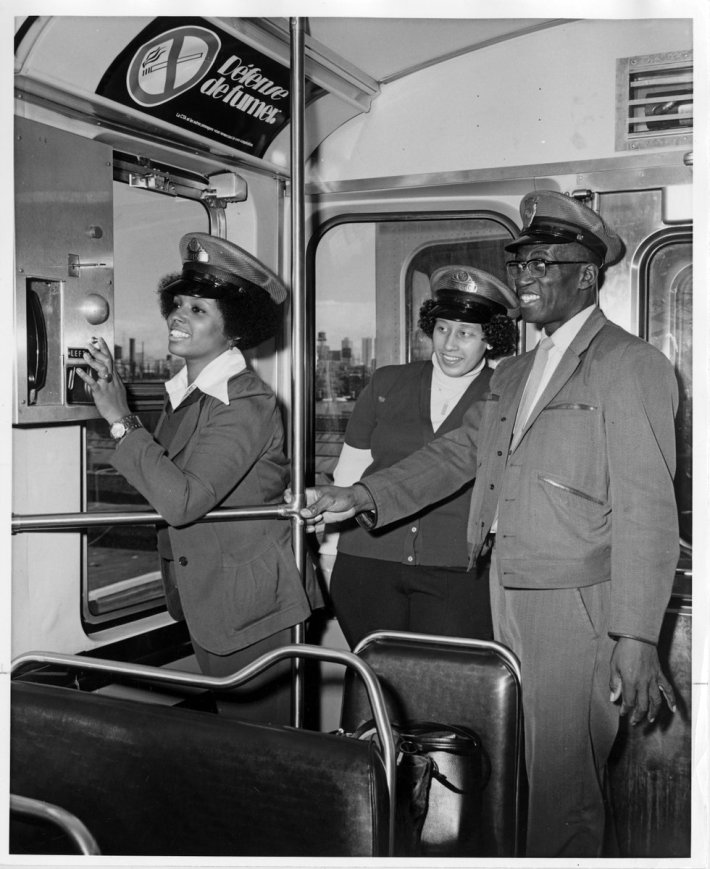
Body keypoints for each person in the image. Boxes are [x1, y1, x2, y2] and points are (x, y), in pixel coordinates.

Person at [300, 191, 679, 857]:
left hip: (574, 602)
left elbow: (649, 508)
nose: (525, 274)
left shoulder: (630, 364)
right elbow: (451, 457)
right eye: (520, 260)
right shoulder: (520, 372)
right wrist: (356, 494)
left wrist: (637, 635)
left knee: (564, 783)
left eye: (542, 263)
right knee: (514, 765)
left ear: (586, 276)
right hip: (504, 592)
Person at [78, 232, 320, 722]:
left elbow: (183, 500)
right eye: (179, 303)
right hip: (211, 597)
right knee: (237, 745)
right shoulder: (187, 393)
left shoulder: (247, 401)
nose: (178, 317)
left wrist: (121, 418)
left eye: (198, 310)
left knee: (266, 755)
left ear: (233, 331)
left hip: (251, 608)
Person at [320, 265, 518, 647]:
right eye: (442, 329)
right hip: (366, 564)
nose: (449, 345)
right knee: (373, 683)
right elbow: (348, 481)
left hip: (457, 571)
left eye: (465, 333)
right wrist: (329, 555)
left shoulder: (505, 393)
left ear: (489, 339)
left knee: (446, 688)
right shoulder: (386, 382)